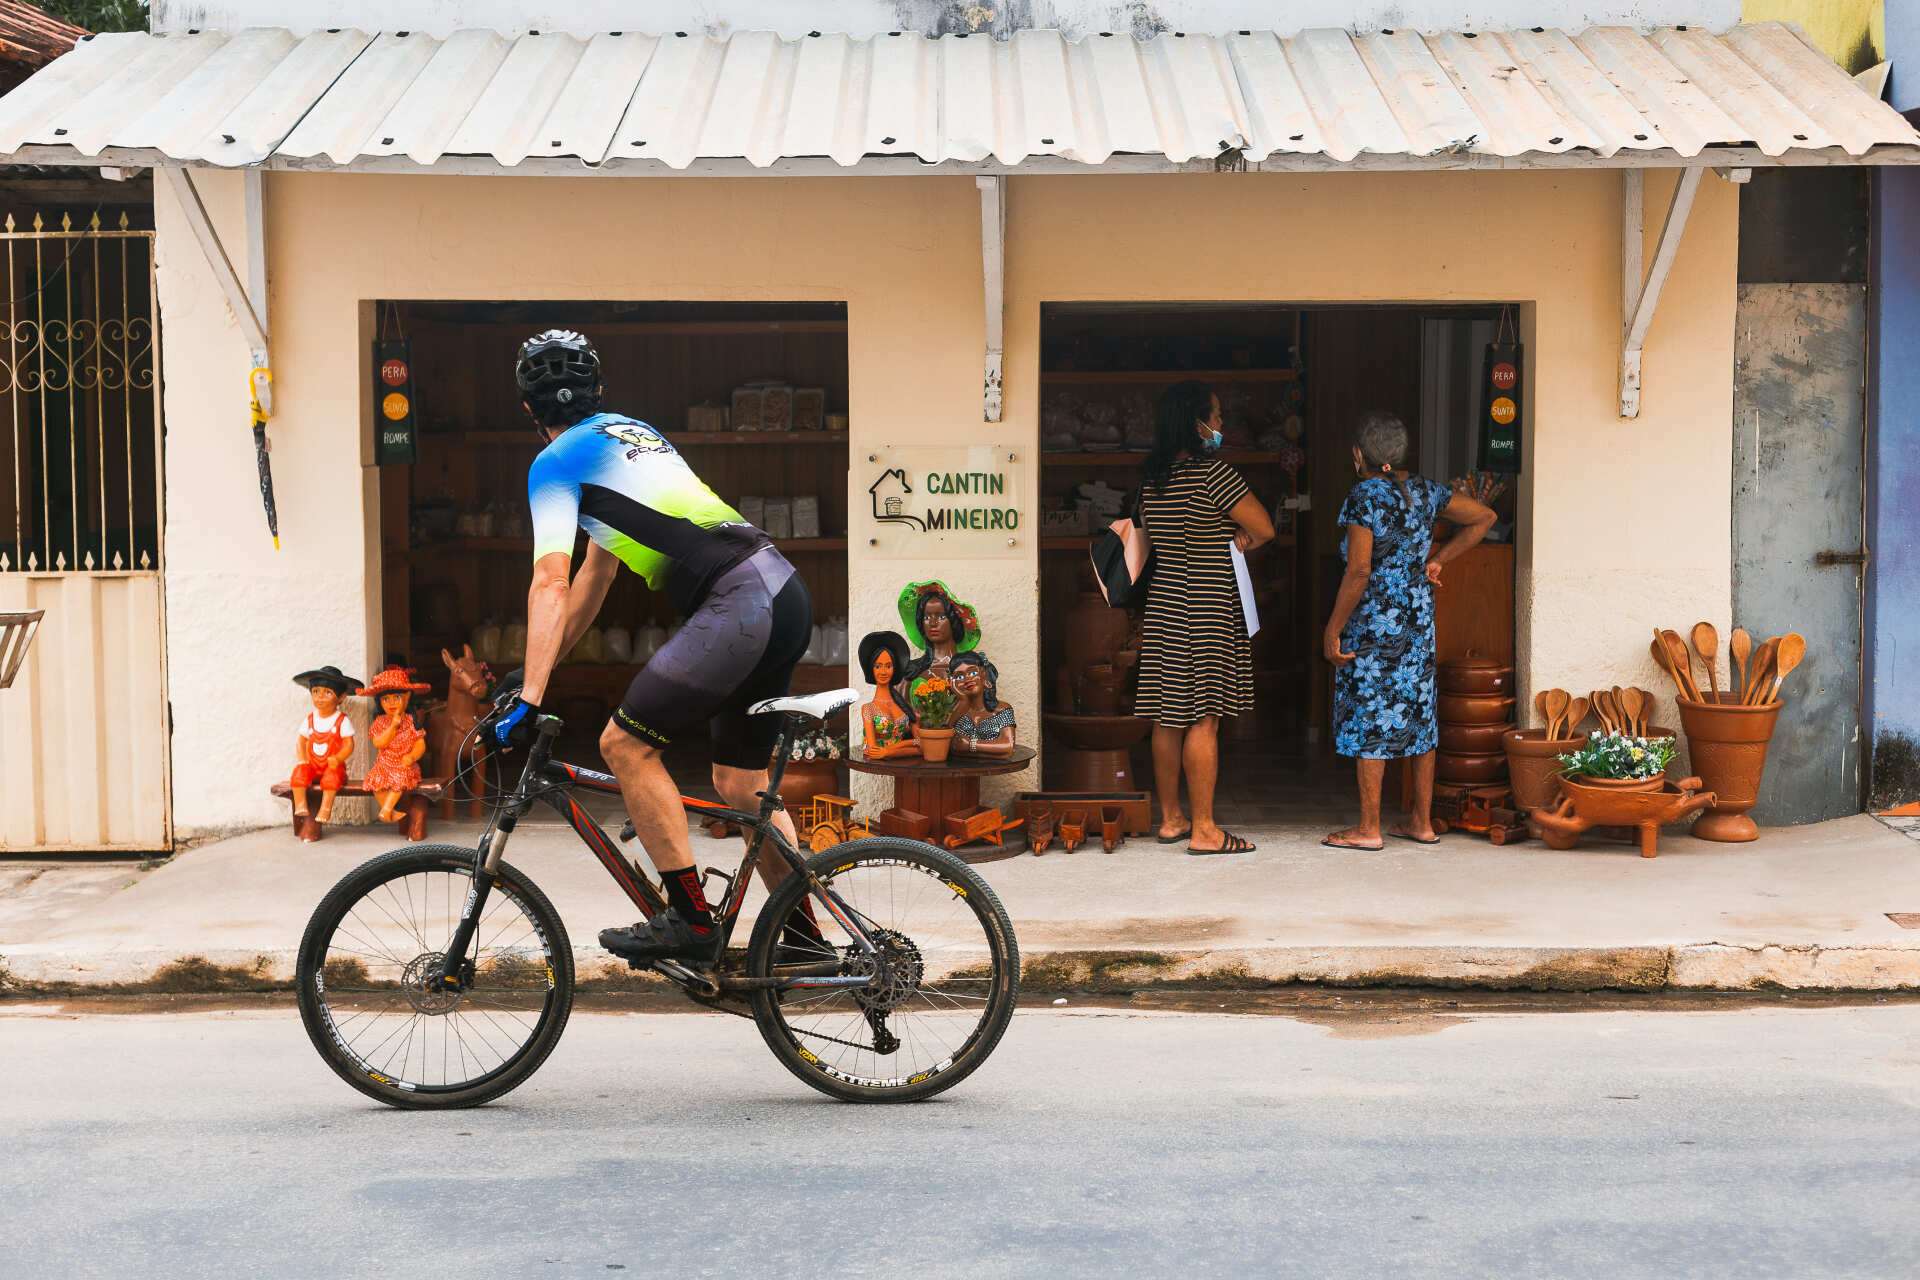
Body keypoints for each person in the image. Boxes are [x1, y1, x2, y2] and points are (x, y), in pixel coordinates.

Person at [491, 329, 822, 964]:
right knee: (740, 781)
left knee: (623, 744)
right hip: (780, 587)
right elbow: (596, 574)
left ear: (529, 410)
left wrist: (530, 698)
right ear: (598, 392)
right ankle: (805, 936)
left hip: (737, 602)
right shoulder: (631, 430)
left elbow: (549, 579)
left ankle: (692, 922)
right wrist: (538, 672)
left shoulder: (554, 463)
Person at [1322, 410, 1495, 850]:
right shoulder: (1424, 490)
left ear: (1358, 454)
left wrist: (1333, 629)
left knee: (1372, 716)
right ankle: (1421, 822)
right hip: (1417, 618)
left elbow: (1359, 570)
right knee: (1419, 714)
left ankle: (1368, 828)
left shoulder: (1364, 495)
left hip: (1375, 621)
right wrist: (1437, 559)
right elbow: (1484, 518)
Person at [1133, 380, 1275, 855]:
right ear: (1196, 425)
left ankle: (1172, 819)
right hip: (1208, 602)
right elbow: (1264, 527)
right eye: (1215, 417)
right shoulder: (1214, 474)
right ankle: (1206, 830)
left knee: (1167, 715)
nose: (1221, 426)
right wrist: (1238, 532)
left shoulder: (1152, 479)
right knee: (1205, 716)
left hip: (1165, 601)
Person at [289, 665, 361, 829]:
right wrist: (302, 759)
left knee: (331, 779)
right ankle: (300, 805)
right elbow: (301, 741)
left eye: (327, 693)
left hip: (333, 766)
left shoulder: (342, 721)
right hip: (313, 766)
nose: (320, 697)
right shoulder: (310, 719)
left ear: (341, 697)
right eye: (316, 692)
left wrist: (338, 758)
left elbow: (349, 744)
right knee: (299, 774)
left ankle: (325, 808)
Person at [358, 666, 430, 824]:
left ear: (407, 697)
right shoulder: (380, 722)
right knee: (375, 781)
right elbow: (378, 742)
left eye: (396, 697)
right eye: (385, 699)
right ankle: (390, 810)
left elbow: (420, 745)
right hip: (384, 763)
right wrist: (392, 727)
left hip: (405, 763)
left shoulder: (412, 722)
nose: (391, 703)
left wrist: (412, 756)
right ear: (380, 702)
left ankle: (385, 810)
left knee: (401, 775)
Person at [857, 629, 920, 759]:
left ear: (895, 668)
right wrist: (910, 743)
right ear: (871, 669)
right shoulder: (868, 709)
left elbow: (922, 748)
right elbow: (874, 752)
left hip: (904, 763)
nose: (883, 671)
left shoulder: (906, 707)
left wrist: (888, 751)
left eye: (888, 666)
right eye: (878, 666)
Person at [949, 652, 1015, 758]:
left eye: (972, 673)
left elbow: (1008, 747)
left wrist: (970, 745)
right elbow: (947, 745)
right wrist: (962, 702)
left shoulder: (1002, 709)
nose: (967, 680)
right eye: (960, 676)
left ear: (984, 674)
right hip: (960, 768)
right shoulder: (954, 712)